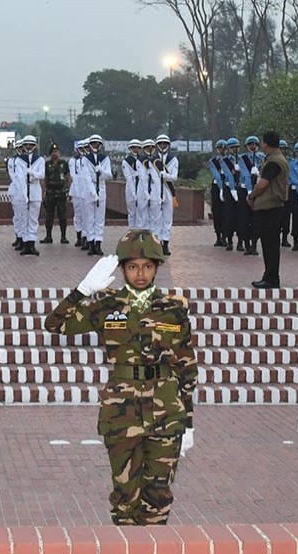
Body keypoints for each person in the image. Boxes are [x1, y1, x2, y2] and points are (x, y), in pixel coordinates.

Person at [44, 230, 198, 525]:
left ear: (157, 268)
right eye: (132, 267)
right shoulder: (107, 306)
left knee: (158, 496)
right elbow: (54, 324)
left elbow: (186, 367)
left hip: (166, 411)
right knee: (125, 495)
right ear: (123, 269)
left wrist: (188, 421)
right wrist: (83, 290)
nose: (140, 274)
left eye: (147, 266)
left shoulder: (174, 310)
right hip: (121, 412)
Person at [246, 131, 289, 289]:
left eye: (262, 143)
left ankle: (271, 278)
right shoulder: (275, 159)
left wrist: (251, 196)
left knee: (270, 244)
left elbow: (263, 184)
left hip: (270, 207)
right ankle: (269, 275)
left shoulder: (274, 161)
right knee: (269, 243)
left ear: (265, 144)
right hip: (271, 206)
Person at [81, 134, 112, 256]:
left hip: (101, 187)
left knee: (99, 219)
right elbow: (86, 177)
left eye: (97, 144)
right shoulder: (85, 159)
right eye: (93, 143)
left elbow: (109, 175)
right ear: (90, 145)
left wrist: (101, 171)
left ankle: (98, 243)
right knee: (90, 218)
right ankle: (91, 243)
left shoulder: (104, 159)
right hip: (90, 189)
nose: (95, 146)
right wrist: (93, 193)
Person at [17, 135, 44, 256]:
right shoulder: (19, 160)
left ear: (35, 146)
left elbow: (41, 174)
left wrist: (32, 173)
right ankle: (25, 243)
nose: (28, 147)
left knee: (33, 219)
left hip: (35, 189)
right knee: (24, 219)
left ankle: (32, 243)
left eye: (31, 145)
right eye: (26, 144)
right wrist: (23, 193)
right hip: (23, 190)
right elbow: (19, 176)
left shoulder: (40, 159)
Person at [153, 135, 178, 256]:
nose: (163, 145)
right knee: (156, 219)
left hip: (168, 192)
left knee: (167, 219)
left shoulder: (173, 160)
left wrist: (165, 175)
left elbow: (174, 176)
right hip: (156, 192)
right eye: (161, 143)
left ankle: (166, 244)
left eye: (165, 143)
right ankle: (157, 243)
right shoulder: (153, 160)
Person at [42, 142, 70, 244]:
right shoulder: (47, 164)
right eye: (53, 152)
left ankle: (63, 237)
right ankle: (48, 236)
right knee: (49, 215)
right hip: (51, 192)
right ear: (50, 154)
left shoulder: (63, 163)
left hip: (61, 192)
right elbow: (45, 178)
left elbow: (67, 177)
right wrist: (44, 192)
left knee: (62, 215)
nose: (55, 153)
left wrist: (67, 189)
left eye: (57, 151)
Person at [7, 138, 27, 251]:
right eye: (19, 148)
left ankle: (25, 239)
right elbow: (14, 176)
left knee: (25, 217)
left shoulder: (29, 160)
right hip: (16, 190)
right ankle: (19, 237)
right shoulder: (12, 161)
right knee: (18, 216)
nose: (21, 150)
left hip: (25, 190)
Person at [122, 139, 144, 229]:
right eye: (133, 147)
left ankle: (139, 233)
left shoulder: (143, 160)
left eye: (137, 148)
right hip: (131, 187)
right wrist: (133, 192)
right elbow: (129, 177)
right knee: (132, 213)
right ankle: (131, 231)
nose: (135, 149)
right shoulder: (126, 161)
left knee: (141, 213)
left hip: (141, 186)